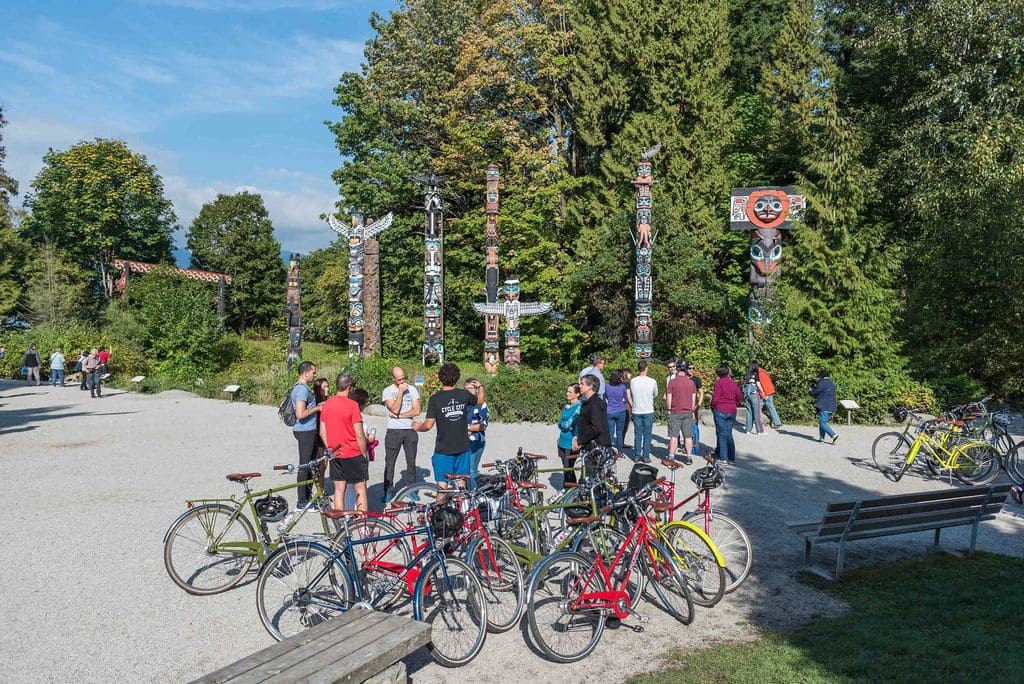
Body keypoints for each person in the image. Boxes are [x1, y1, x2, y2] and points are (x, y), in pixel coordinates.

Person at [412, 362, 485, 489]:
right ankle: (462, 508)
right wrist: (481, 387)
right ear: (457, 377)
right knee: (462, 484)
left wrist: (418, 427)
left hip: (443, 449)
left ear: (440, 378)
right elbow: (480, 401)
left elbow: (428, 425)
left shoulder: (435, 399)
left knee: (442, 487)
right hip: (462, 446)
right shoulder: (464, 394)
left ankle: (443, 509)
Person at [319, 372, 369, 511]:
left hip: (336, 453)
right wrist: (364, 452)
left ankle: (341, 525)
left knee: (339, 490)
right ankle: (363, 525)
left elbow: (322, 432)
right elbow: (359, 434)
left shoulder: (327, 404)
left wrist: (331, 447)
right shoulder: (352, 405)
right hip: (353, 452)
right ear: (348, 387)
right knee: (360, 489)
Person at [381, 366, 421, 503]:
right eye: (399, 379)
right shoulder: (387, 391)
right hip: (393, 430)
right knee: (390, 462)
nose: (402, 381)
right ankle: (388, 491)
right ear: (393, 379)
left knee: (411, 462)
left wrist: (399, 416)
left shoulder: (413, 389)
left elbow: (417, 411)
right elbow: (394, 408)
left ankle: (412, 489)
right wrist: (400, 392)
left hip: (409, 429)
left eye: (403, 378)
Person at [291, 361, 322, 510]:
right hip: (304, 431)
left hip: (308, 430)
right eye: (313, 372)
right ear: (305, 373)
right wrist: (317, 408)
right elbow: (300, 414)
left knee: (311, 463)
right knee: (304, 464)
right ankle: (301, 500)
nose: (315, 375)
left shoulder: (303, 388)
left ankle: (308, 498)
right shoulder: (302, 390)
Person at [711, 364, 744, 464]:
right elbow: (739, 396)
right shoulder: (733, 383)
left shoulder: (719, 383)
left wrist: (713, 406)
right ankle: (731, 458)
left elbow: (715, 398)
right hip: (732, 410)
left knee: (722, 434)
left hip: (720, 409)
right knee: (729, 434)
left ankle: (723, 458)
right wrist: (734, 403)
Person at [666, 363, 697, 465]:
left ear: (678, 369)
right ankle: (688, 457)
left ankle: (671, 457)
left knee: (674, 436)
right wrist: (692, 411)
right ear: (686, 369)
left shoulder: (672, 382)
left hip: (675, 412)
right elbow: (693, 399)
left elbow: (669, 397)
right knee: (688, 436)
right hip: (688, 412)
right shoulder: (691, 383)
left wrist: (669, 409)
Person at [573, 374, 611, 455]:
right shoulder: (589, 402)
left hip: (597, 448)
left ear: (590, 386)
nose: (579, 386)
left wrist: (580, 441)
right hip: (590, 446)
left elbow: (596, 427)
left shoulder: (595, 403)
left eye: (582, 384)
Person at [629, 360, 658, 463]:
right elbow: (655, 393)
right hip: (648, 409)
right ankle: (646, 456)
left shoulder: (633, 381)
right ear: (646, 368)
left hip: (637, 409)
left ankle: (637, 455)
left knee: (638, 433)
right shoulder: (652, 381)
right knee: (647, 434)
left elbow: (632, 393)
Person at [557, 383, 583, 485]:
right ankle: (570, 487)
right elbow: (560, 424)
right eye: (567, 391)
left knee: (569, 467)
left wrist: (565, 425)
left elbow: (569, 424)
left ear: (577, 394)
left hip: (571, 441)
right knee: (565, 467)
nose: (567, 394)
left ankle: (569, 487)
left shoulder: (579, 407)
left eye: (570, 392)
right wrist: (565, 425)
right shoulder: (567, 407)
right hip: (563, 439)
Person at [464, 377, 488, 487]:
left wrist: (467, 428)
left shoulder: (481, 404)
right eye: (466, 388)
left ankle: (475, 494)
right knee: (464, 469)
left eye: (472, 388)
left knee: (472, 469)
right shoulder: (462, 403)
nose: (469, 391)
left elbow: (483, 425)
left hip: (476, 440)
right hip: (462, 441)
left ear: (476, 389)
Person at [313, 377, 333, 498]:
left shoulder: (328, 400)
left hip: (327, 435)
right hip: (317, 436)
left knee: (324, 464)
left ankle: (322, 489)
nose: (327, 389)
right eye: (324, 387)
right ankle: (321, 492)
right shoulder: (314, 401)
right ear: (319, 389)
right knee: (321, 464)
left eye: (328, 386)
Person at [681, 360, 704, 456]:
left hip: (693, 407)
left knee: (694, 428)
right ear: (686, 369)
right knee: (684, 427)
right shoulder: (682, 378)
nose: (692, 370)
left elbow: (701, 392)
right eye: (690, 368)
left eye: (693, 368)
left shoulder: (696, 380)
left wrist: (698, 404)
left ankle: (694, 447)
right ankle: (687, 445)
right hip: (683, 406)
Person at [809, 369, 839, 444]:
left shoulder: (822, 383)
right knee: (823, 421)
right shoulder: (831, 383)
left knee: (822, 423)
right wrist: (816, 383)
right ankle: (821, 438)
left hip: (824, 405)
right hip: (832, 406)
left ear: (821, 376)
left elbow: (815, 393)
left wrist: (811, 388)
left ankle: (833, 435)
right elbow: (823, 389)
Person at [605, 369, 630, 457]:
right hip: (620, 410)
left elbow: (605, 397)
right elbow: (626, 399)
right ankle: (620, 452)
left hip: (610, 410)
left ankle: (609, 451)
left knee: (610, 433)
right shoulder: (622, 387)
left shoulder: (607, 386)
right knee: (619, 433)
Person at [741, 361, 765, 435]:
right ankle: (759, 431)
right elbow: (758, 384)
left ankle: (748, 430)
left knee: (749, 412)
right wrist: (762, 391)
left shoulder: (746, 374)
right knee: (757, 412)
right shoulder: (755, 374)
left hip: (746, 394)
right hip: (754, 394)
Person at [758, 363, 783, 429]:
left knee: (758, 407)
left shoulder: (760, 373)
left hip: (767, 392)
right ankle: (777, 422)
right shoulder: (764, 372)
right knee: (770, 407)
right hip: (770, 391)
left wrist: (765, 394)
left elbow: (764, 384)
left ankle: (759, 423)